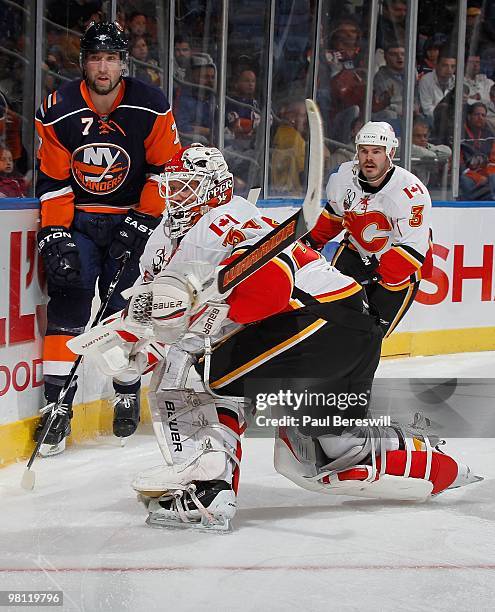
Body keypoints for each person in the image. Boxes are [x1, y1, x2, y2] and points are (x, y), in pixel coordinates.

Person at [70, 143, 478, 530]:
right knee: (321, 456)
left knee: (198, 373)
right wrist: (133, 343)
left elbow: (270, 291)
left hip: (329, 322)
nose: (175, 196)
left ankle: (208, 491)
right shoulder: (163, 238)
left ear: (212, 188)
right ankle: (430, 461)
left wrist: (196, 311)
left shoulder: (229, 219)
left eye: (185, 187)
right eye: (170, 187)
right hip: (320, 330)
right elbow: (157, 308)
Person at [34, 21, 181, 455]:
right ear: (84, 62)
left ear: (123, 63)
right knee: (69, 303)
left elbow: (165, 170)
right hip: (80, 220)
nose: (103, 67)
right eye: (96, 58)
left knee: (127, 311)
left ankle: (125, 388)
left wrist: (142, 222)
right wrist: (55, 232)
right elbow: (54, 179)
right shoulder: (57, 107)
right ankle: (56, 405)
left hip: (132, 221)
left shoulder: (150, 104)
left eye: (112, 58)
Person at [307, 121, 433, 338]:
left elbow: (412, 251)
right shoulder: (343, 178)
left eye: (377, 151)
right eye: (364, 151)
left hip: (399, 272)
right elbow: (334, 216)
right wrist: (310, 243)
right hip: (356, 253)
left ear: (390, 152)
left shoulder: (411, 193)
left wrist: (376, 275)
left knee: (371, 336)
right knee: (328, 319)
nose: (369, 158)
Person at [418, 49, 456, 123]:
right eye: (445, 65)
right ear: (436, 65)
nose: (449, 70)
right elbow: (426, 109)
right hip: (431, 120)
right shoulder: (426, 80)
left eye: (453, 66)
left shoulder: (456, 81)